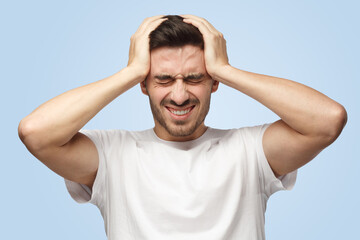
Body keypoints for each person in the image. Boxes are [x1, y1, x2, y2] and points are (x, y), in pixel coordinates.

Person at [18, 15, 347, 240]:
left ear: (213, 83)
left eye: (194, 78)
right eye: (163, 79)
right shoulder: (111, 154)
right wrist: (130, 71)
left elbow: (328, 120)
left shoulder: (250, 151)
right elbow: (35, 132)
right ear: (144, 85)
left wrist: (226, 69)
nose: (179, 95)